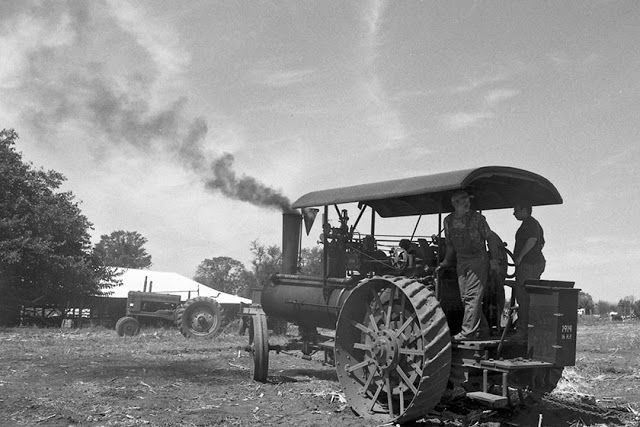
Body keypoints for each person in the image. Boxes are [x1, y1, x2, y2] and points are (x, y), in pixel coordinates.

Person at [437, 190, 497, 341]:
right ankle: (482, 330)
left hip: (478, 260)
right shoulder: (448, 221)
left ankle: (467, 333)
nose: (467, 204)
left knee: (472, 296)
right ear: (455, 203)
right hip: (461, 260)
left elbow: (491, 239)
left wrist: (494, 260)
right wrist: (445, 262)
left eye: (468, 202)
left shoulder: (478, 219)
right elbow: (450, 245)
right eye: (463, 202)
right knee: (466, 298)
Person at [512, 203, 545, 338]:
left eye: (516, 210)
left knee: (524, 298)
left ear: (525, 210)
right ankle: (525, 328)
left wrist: (520, 257)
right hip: (531, 264)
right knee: (525, 297)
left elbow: (532, 240)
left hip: (529, 265)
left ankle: (523, 331)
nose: (514, 213)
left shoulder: (530, 224)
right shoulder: (530, 224)